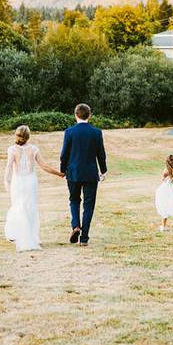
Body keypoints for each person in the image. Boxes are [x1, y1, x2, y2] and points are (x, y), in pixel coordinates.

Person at [4, 125, 65, 252]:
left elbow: (9, 168)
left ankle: (20, 235)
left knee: (18, 206)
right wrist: (59, 173)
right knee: (29, 207)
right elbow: (44, 166)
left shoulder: (12, 150)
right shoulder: (33, 149)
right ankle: (30, 236)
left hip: (18, 182)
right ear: (28, 137)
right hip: (30, 182)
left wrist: (6, 183)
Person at [60, 103, 107, 247]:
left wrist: (63, 170)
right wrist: (103, 171)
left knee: (74, 200)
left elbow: (64, 154)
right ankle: (84, 237)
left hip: (73, 172)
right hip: (90, 173)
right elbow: (101, 154)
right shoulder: (96, 132)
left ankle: (76, 226)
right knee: (89, 205)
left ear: (76, 115)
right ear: (89, 115)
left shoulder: (69, 132)